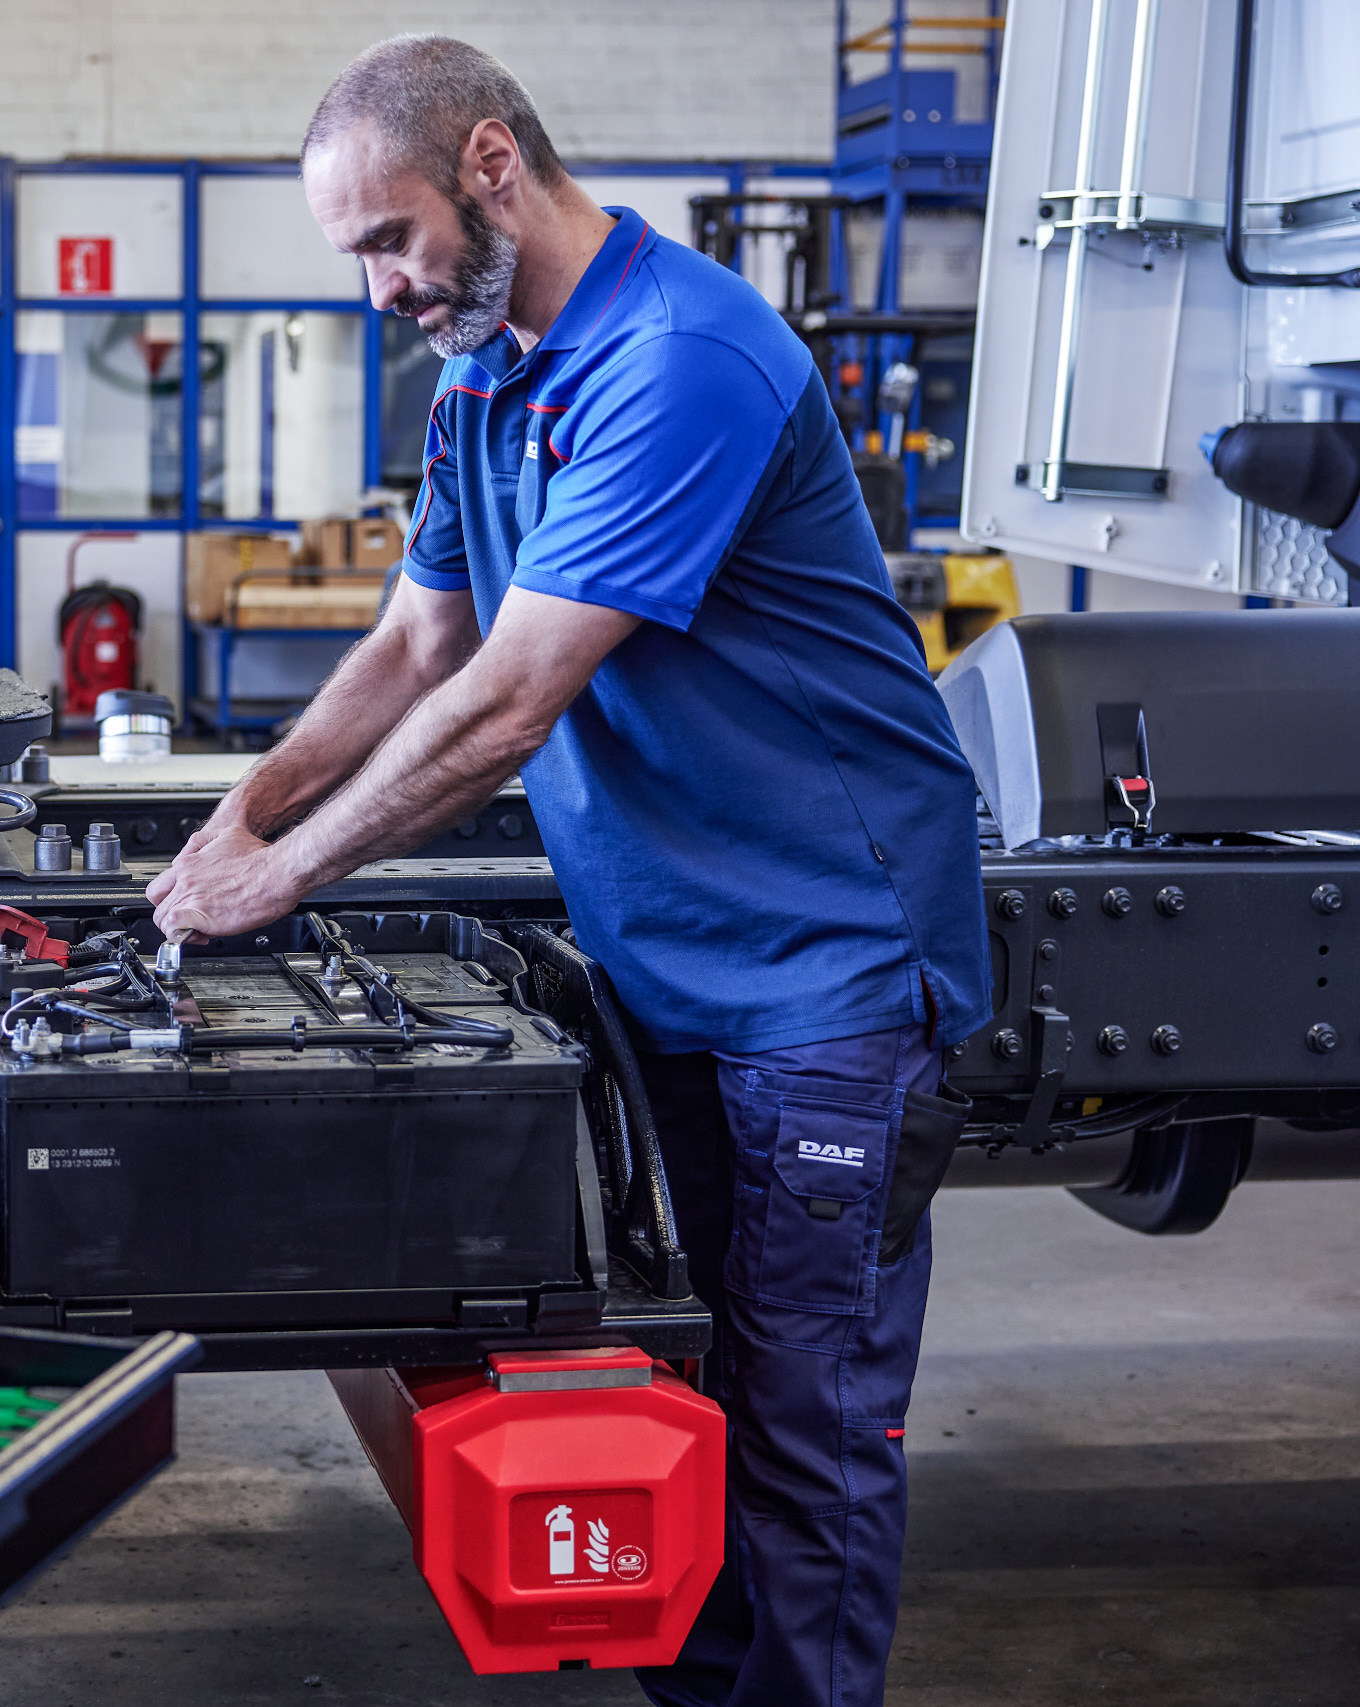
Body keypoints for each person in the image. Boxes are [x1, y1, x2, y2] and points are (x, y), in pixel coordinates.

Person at [145, 35, 989, 1707]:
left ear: (489, 164)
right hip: (676, 964)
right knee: (712, 1378)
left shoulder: (682, 358)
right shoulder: (489, 374)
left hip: (824, 968)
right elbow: (416, 643)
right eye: (353, 260)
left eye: (387, 240)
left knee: (808, 1415)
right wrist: (242, 817)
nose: (378, 288)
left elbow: (511, 703)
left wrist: (287, 876)